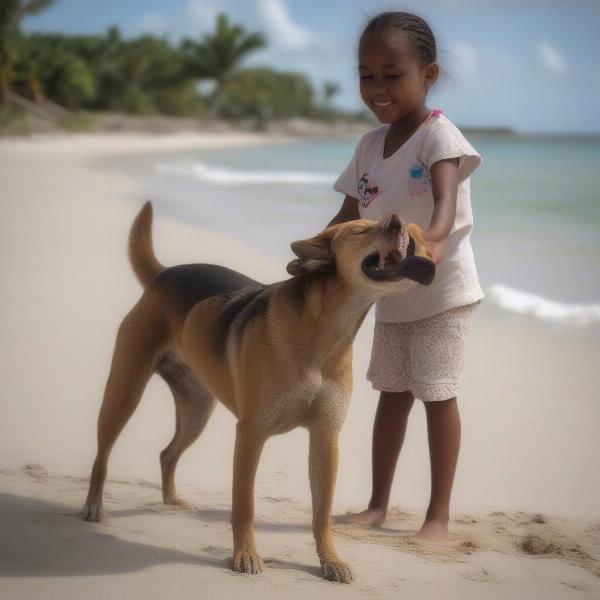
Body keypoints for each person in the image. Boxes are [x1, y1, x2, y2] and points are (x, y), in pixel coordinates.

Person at [327, 11, 484, 542]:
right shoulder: (370, 147)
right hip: (391, 292)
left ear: (429, 75)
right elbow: (346, 221)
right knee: (392, 393)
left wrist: (433, 244)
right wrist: (315, 257)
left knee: (437, 393)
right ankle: (376, 505)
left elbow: (444, 203)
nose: (378, 87)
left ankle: (438, 516)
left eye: (392, 75)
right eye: (366, 75)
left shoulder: (439, 136)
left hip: (442, 290)